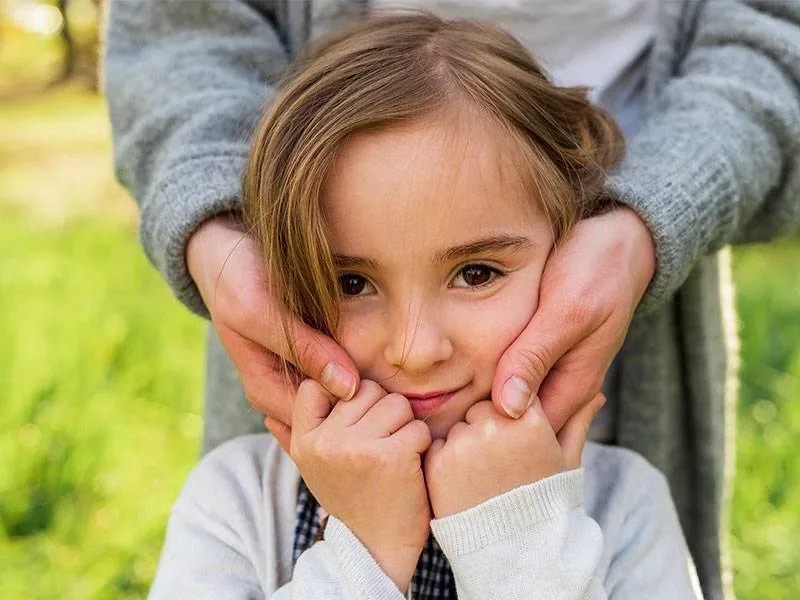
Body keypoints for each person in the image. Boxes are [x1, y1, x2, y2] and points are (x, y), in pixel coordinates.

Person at [103, 1, 800, 599]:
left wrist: (517, 539)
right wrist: (363, 551)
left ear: (571, 254)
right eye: (352, 282)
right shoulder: (235, 502)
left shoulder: (628, 505)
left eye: (475, 273)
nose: (415, 349)